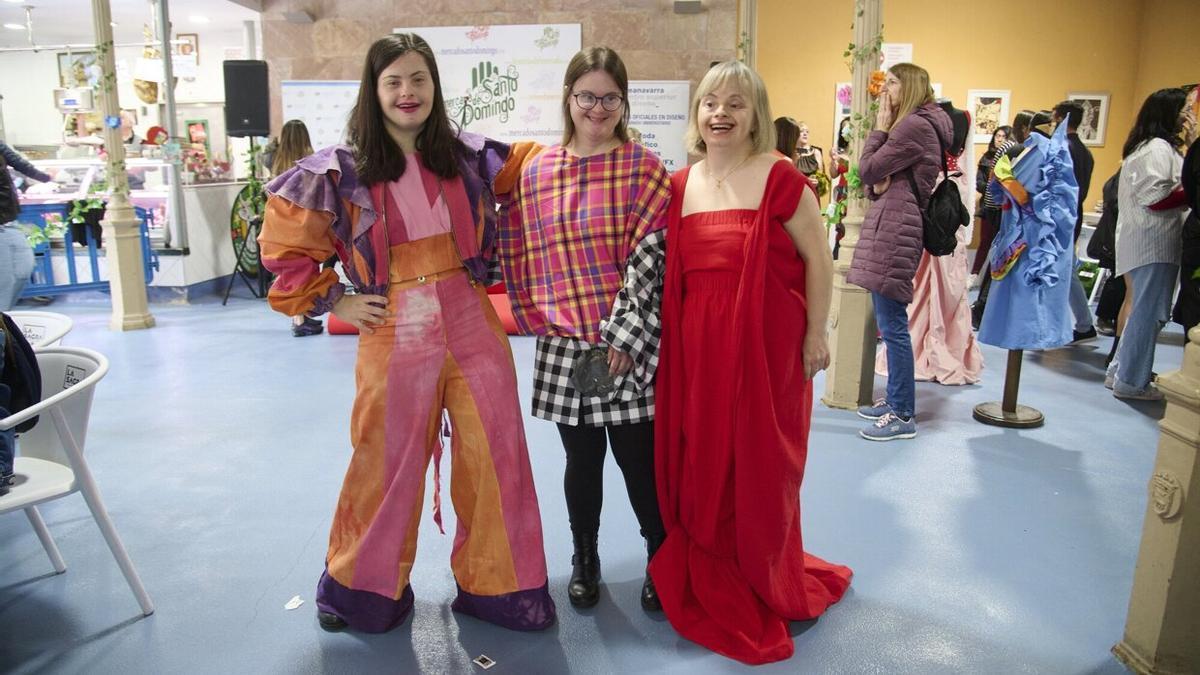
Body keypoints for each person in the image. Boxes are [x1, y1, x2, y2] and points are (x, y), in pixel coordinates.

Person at [258, 33, 555, 633]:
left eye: (418, 79)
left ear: (435, 86)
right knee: (384, 460)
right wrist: (337, 296)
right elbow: (287, 252)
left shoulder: (472, 157)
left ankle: (505, 590)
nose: (407, 92)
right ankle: (363, 592)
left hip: (471, 319)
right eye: (393, 80)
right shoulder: (338, 170)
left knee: (497, 452)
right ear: (374, 91)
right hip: (393, 324)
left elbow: (553, 176)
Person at [649, 60, 850, 665]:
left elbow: (818, 260)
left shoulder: (783, 177)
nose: (721, 114)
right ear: (697, 115)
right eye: (711, 103)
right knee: (704, 454)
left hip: (766, 348)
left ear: (756, 115)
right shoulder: (681, 185)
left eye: (736, 104)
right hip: (696, 349)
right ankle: (714, 561)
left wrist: (817, 335)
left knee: (761, 460)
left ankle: (763, 566)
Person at [494, 47, 670, 612]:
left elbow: (652, 258)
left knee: (639, 461)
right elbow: (518, 247)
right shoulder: (538, 171)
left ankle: (661, 556)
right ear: (568, 99)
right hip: (568, 345)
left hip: (625, 344)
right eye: (587, 96)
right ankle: (584, 558)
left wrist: (623, 334)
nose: (598, 107)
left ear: (623, 102)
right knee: (581, 460)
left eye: (609, 97)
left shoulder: (643, 167)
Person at [848, 63, 954, 440]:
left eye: (891, 82)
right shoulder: (924, 125)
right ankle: (895, 402)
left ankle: (903, 414)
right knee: (889, 323)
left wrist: (879, 126)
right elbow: (875, 182)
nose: (885, 90)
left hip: (897, 228)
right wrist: (877, 185)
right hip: (898, 223)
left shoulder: (912, 126)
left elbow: (867, 169)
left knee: (892, 326)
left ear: (907, 86)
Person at [876, 100, 983, 386]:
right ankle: (923, 347)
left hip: (940, 194)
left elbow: (967, 165)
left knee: (944, 276)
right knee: (923, 273)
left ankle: (939, 347)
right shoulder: (933, 119)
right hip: (935, 191)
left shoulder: (963, 116)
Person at [1107, 87, 1191, 400]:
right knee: (1150, 312)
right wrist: (1192, 191)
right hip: (1153, 242)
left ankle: (1122, 371)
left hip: (1147, 243)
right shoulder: (1157, 148)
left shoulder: (1151, 146)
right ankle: (1131, 380)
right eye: (1185, 109)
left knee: (1143, 309)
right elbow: (1156, 198)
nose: (1188, 116)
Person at [269, 119, 324, 337]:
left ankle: (300, 317)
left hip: (279, 222)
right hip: (304, 221)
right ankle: (302, 318)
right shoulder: (311, 159)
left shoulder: (275, 160)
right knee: (307, 269)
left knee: (290, 270)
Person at [1052, 100, 1098, 343]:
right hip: (1073, 215)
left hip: (1059, 217)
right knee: (1066, 271)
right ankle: (1083, 323)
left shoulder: (1063, 148)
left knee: (1059, 271)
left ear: (1059, 119)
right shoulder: (1085, 152)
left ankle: (1078, 324)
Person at [1, 142, 52, 311]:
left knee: (24, 270)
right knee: (6, 279)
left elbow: (19, 163)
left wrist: (46, 177)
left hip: (9, 219)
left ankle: (4, 315)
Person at [972, 125, 1010, 278]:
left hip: (1003, 207)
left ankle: (991, 277)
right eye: (997, 135)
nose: (999, 139)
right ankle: (974, 274)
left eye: (1003, 136)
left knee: (999, 243)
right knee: (984, 241)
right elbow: (979, 182)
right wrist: (990, 187)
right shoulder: (986, 158)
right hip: (987, 206)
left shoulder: (1009, 158)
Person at [794, 120, 828, 203]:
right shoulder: (792, 152)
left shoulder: (816, 152)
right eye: (801, 131)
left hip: (812, 193)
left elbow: (822, 176)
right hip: (796, 194)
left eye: (807, 132)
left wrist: (818, 181)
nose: (805, 134)